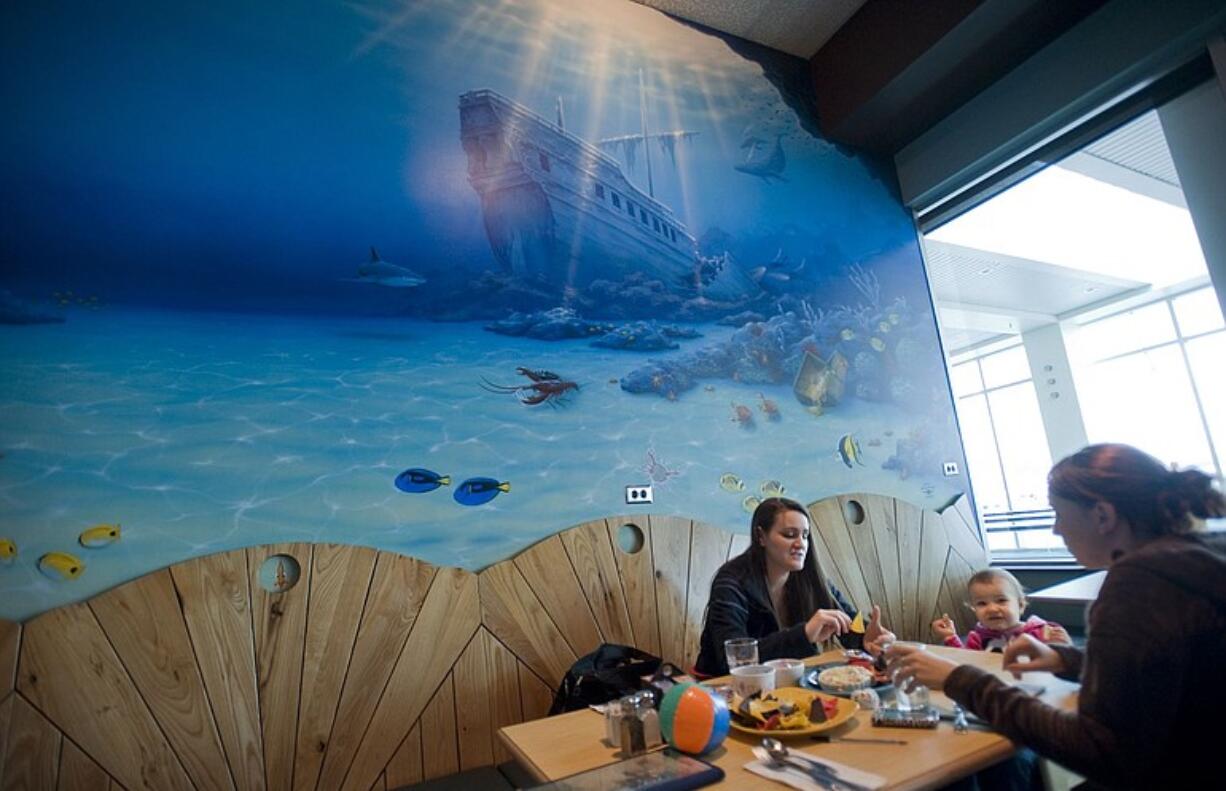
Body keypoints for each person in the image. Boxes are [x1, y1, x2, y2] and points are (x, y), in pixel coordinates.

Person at [887, 444, 1226, 789]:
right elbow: (1164, 670)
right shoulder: (1198, 556)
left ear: (1103, 516)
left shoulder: (1140, 583)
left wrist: (960, 679)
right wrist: (1065, 659)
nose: (1055, 530)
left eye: (1058, 514)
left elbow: (1101, 751)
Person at [694, 496, 893, 676]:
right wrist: (804, 633)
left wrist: (868, 639)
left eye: (805, 535)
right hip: (721, 692)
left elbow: (849, 624)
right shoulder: (731, 582)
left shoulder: (811, 577)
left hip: (789, 686)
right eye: (790, 534)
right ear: (761, 536)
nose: (801, 544)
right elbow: (732, 661)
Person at [932, 568, 1071, 652]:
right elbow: (965, 663)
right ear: (974, 609)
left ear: (1021, 605)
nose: (992, 608)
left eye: (1001, 600)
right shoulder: (977, 638)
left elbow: (1060, 664)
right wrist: (950, 637)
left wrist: (1062, 645)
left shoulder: (1041, 632)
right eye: (982, 603)